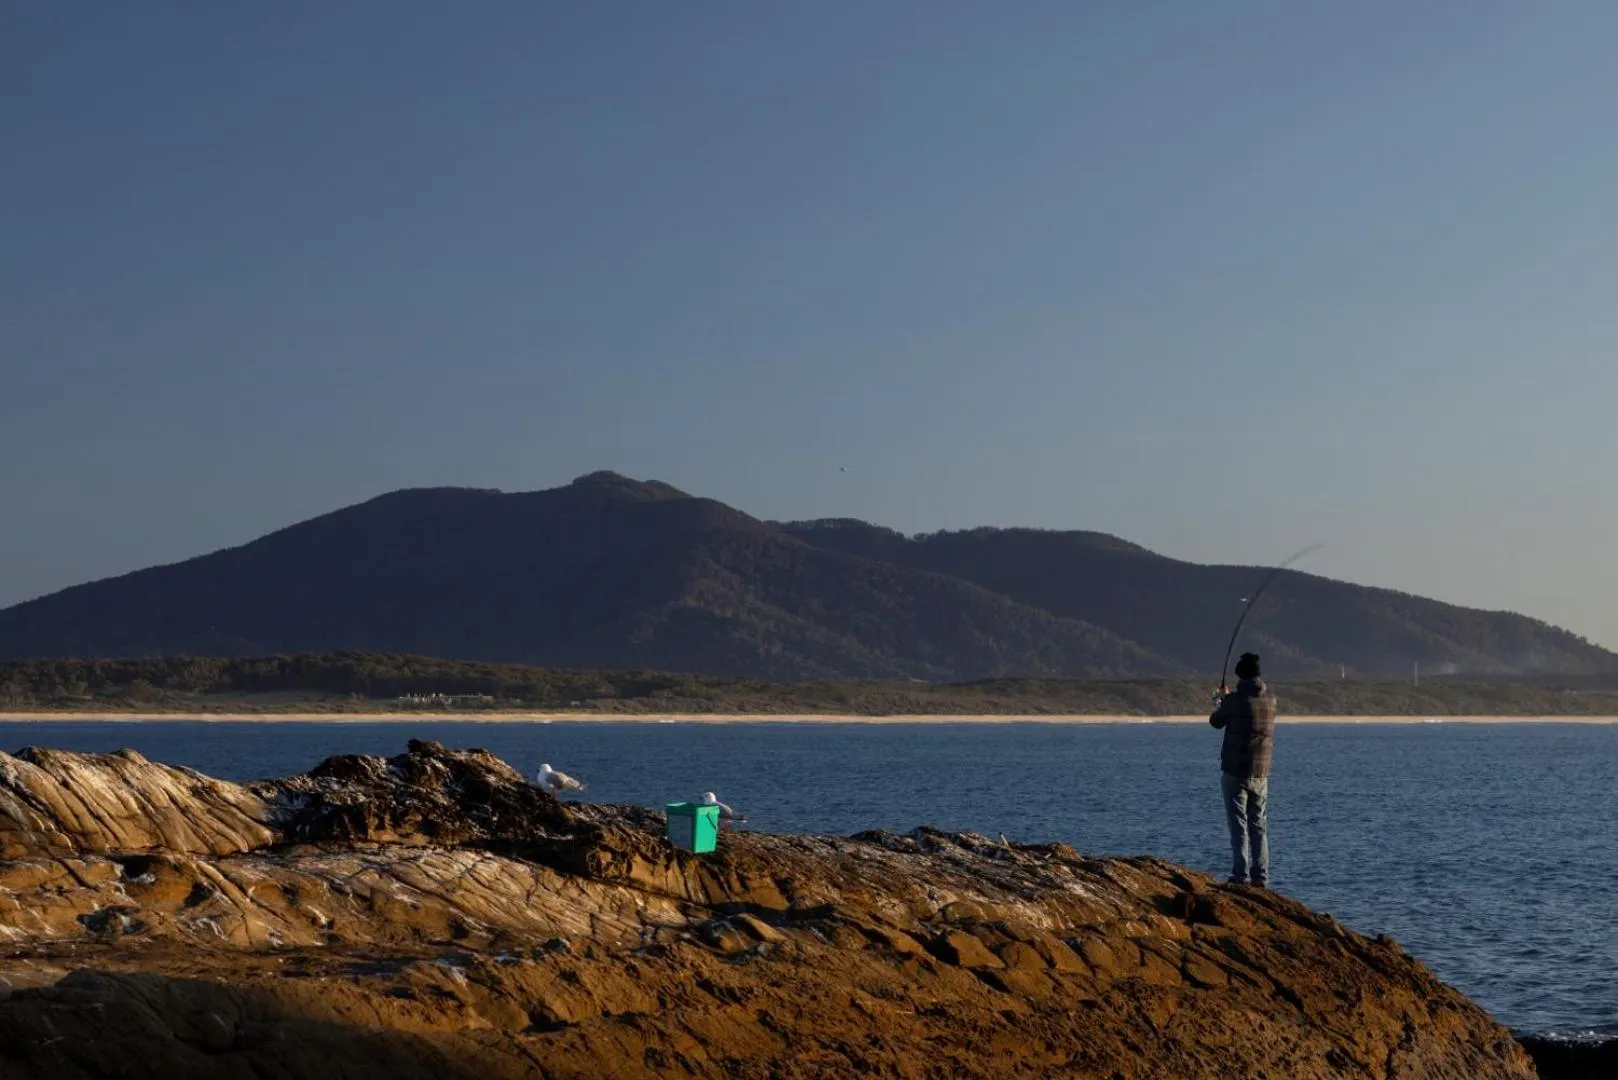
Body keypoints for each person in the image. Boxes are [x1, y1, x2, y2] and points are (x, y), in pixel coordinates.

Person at [1209, 652, 1277, 887]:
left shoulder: (1235, 701)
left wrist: (1220, 700)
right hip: (1261, 772)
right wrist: (1228, 700)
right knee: (1258, 825)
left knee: (1238, 824)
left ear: (1241, 675)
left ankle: (1241, 875)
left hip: (1235, 771)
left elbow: (1216, 721)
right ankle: (1261, 876)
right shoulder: (1271, 699)